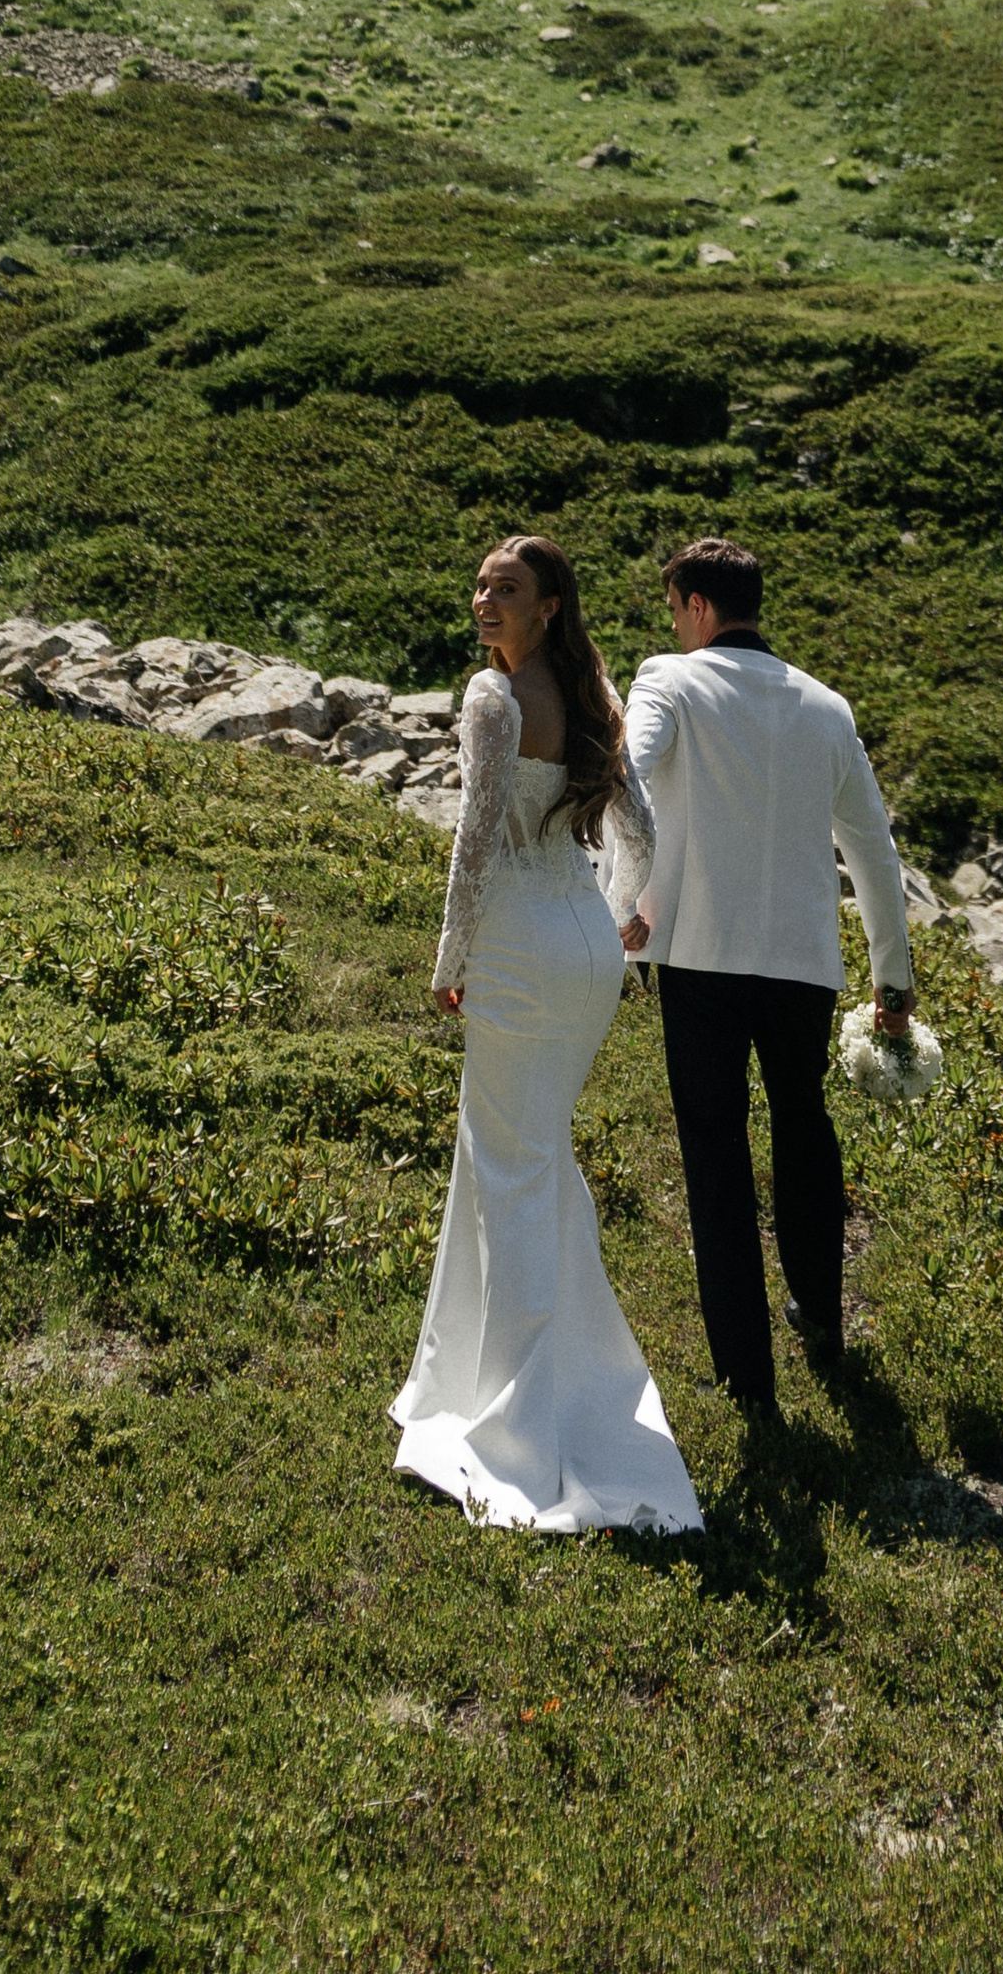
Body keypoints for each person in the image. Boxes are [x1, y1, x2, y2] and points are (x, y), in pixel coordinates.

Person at [391, 534, 703, 1534]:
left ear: (550, 604)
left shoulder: (493, 699)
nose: (484, 599)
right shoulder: (594, 696)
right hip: (583, 952)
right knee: (528, 1160)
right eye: (480, 583)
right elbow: (640, 833)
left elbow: (473, 839)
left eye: (507, 588)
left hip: (521, 952)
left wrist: (449, 962)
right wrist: (617, 917)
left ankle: (524, 1428)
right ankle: (516, 1385)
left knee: (512, 1169)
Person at [623, 534, 914, 1415]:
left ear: (699, 607)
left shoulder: (667, 682)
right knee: (803, 1127)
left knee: (716, 1154)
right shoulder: (827, 708)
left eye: (676, 610)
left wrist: (614, 902)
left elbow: (631, 770)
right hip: (802, 968)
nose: (673, 628)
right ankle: (820, 1317)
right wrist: (892, 984)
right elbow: (873, 850)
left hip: (701, 960)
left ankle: (746, 1374)